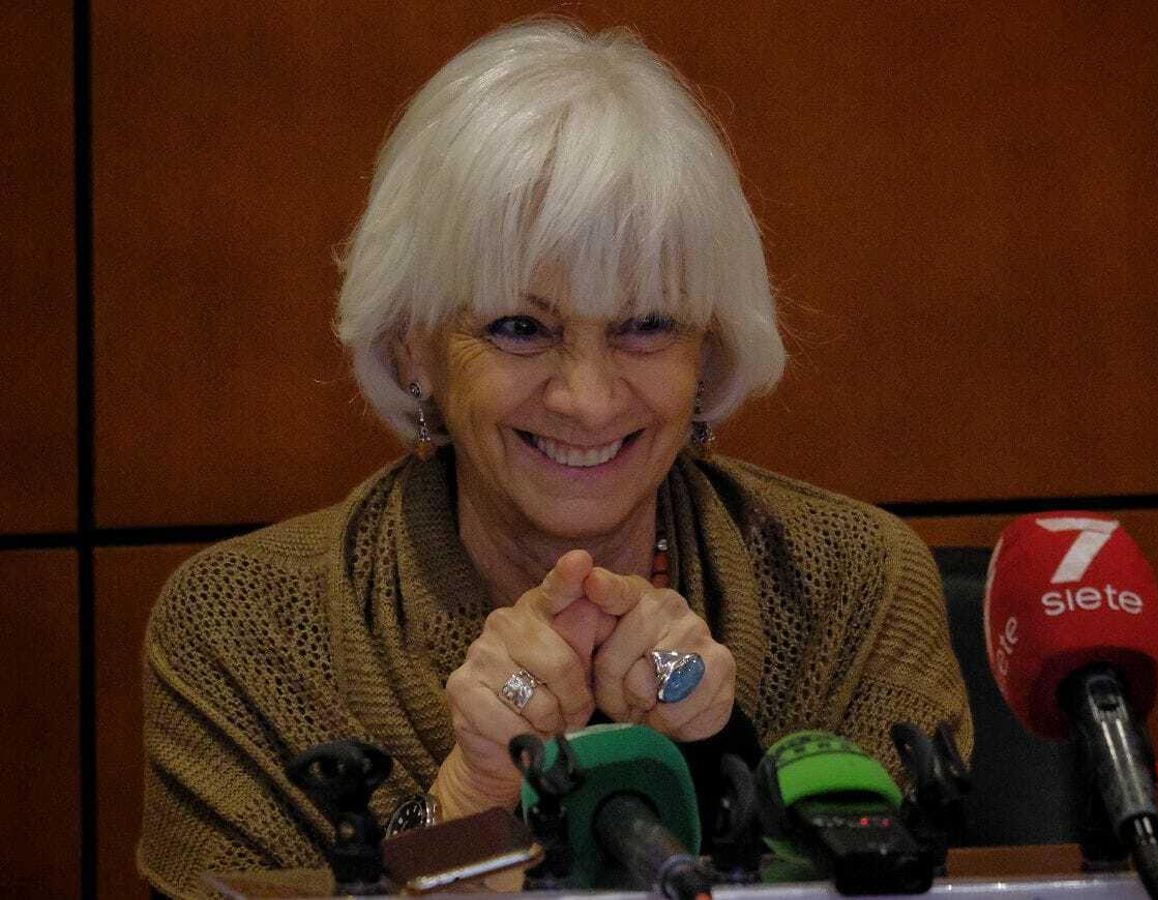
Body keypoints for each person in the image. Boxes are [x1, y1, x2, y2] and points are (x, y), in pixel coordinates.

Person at [139, 18, 971, 897]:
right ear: (412, 348)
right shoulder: (246, 629)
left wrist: (723, 752)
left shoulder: (855, 587)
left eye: (646, 324)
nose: (590, 398)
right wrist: (476, 800)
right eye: (519, 327)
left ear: (710, 346)